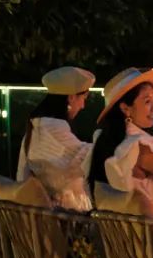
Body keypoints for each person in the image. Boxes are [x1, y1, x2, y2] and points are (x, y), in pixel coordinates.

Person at [88, 68, 153, 214]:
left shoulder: (106, 142)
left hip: (115, 234)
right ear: (126, 108)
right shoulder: (140, 147)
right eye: (147, 101)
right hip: (145, 234)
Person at [16, 66, 96, 210]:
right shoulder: (52, 126)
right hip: (65, 215)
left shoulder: (37, 126)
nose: (83, 105)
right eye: (83, 98)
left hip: (46, 213)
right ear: (71, 97)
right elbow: (83, 156)